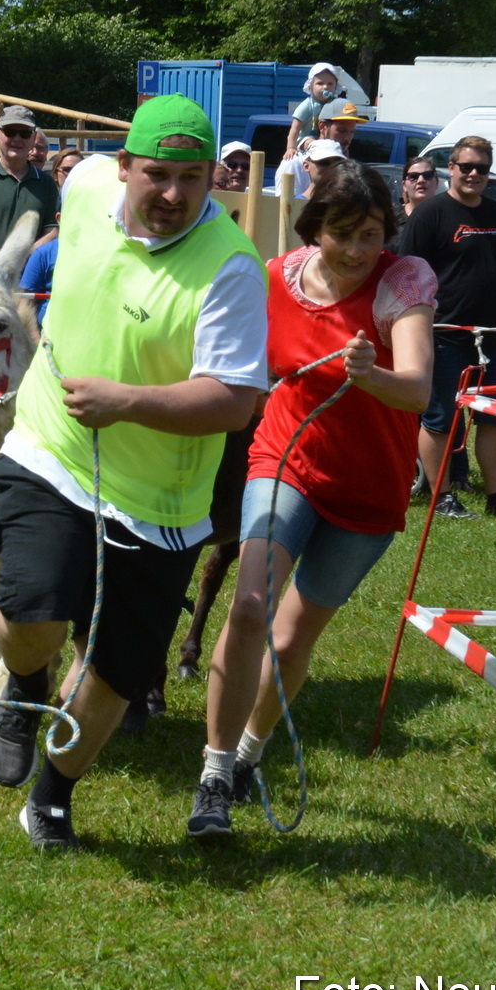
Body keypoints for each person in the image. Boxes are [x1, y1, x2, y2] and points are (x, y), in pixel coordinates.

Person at [0, 95, 267, 849]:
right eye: (158, 174)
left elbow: (235, 401)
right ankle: (26, 685)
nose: (172, 194)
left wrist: (130, 400)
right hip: (52, 445)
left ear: (214, 181)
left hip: (158, 499)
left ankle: (52, 796)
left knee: (115, 673)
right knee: (31, 606)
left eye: (193, 179)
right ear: (125, 166)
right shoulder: (87, 185)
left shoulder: (232, 268)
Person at [191, 161, 436, 835]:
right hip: (286, 457)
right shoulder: (277, 279)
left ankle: (249, 753)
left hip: (371, 487)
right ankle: (213, 775)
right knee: (248, 608)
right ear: (313, 228)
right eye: (343, 233)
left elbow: (417, 390)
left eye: (373, 233)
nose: (359, 250)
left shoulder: (403, 281)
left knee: (294, 636)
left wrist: (369, 373)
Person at [396, 135, 496, 521]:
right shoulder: (430, 214)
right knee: (439, 419)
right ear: (450, 169)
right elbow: (404, 275)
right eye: (466, 167)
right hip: (442, 335)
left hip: (493, 338)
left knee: (495, 417)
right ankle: (442, 496)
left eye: (481, 169)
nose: (473, 174)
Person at [0, 105, 59, 249]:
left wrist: (24, 260)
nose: (17, 139)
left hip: (31, 270)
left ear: (33, 138)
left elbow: (52, 231)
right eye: (10, 132)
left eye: (24, 133)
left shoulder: (46, 183)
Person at [283, 62, 339, 161]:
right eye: (320, 83)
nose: (325, 87)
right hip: (306, 139)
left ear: (335, 88)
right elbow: (295, 129)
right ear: (310, 87)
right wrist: (291, 148)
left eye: (330, 84)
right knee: (312, 143)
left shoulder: (334, 104)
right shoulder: (307, 105)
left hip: (326, 140)